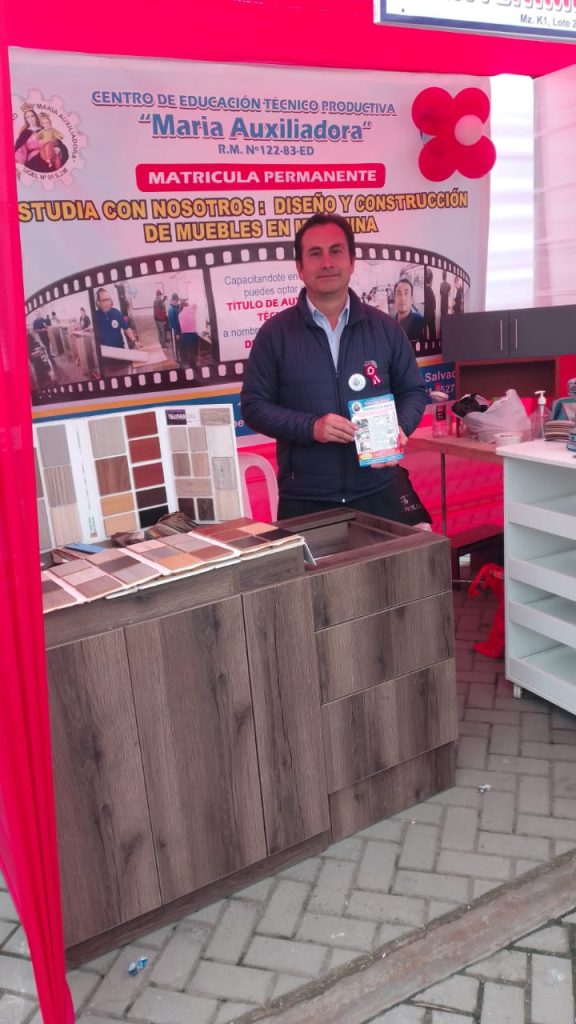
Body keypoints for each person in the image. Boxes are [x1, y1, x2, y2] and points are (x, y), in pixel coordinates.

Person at [241, 213, 431, 526]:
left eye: (336, 251)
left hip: (378, 491)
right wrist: (311, 427)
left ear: (352, 261)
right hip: (305, 499)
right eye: (315, 254)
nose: (327, 262)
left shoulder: (385, 329)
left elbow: (413, 391)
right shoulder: (275, 334)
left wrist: (400, 427)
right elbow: (253, 406)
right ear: (300, 267)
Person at [94, 287, 139, 376]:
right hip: (106, 358)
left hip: (120, 353)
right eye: (103, 300)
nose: (107, 302)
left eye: (108, 299)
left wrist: (135, 341)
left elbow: (126, 328)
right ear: (98, 302)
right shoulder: (95, 316)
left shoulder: (116, 313)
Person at [393, 278, 425, 346]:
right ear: (394, 299)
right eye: (399, 293)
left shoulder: (421, 323)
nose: (402, 298)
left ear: (411, 299)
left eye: (406, 293)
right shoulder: (390, 322)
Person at [424, 268, 437, 343]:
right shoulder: (430, 290)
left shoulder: (424, 290)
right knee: (432, 335)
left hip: (425, 315)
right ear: (431, 279)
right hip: (431, 315)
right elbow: (434, 306)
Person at [168, 293, 181, 358]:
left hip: (178, 328)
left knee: (178, 343)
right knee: (175, 343)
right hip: (174, 329)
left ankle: (179, 356)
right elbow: (173, 323)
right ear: (173, 300)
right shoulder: (171, 309)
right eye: (176, 301)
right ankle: (176, 358)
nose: (177, 302)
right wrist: (176, 333)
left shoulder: (177, 307)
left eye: (177, 301)